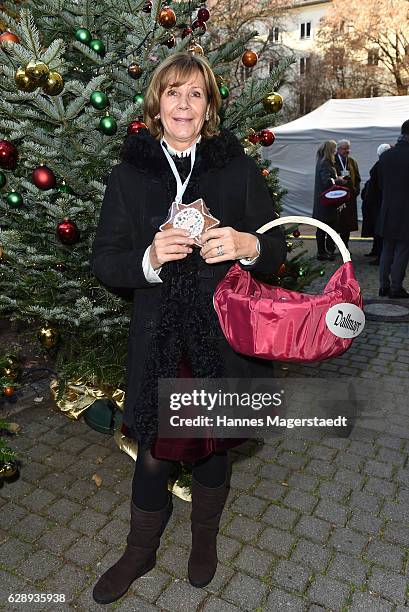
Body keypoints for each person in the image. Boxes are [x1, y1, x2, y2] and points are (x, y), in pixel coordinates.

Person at [90, 51, 287, 604]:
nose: (183, 103)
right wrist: (149, 259)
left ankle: (204, 539)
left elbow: (275, 247)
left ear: (208, 109)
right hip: (158, 339)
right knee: (154, 450)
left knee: (214, 445)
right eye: (173, 91)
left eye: (195, 94)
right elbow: (106, 258)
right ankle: (140, 550)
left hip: (221, 335)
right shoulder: (129, 175)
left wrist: (249, 246)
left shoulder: (235, 168)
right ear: (157, 103)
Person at [377, 120, 409, 298]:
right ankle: (396, 287)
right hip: (406, 211)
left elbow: (381, 184)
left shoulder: (387, 156)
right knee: (402, 250)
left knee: (387, 249)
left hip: (388, 209)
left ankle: (383, 286)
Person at [312, 140, 347, 260]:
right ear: (330, 149)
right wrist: (338, 180)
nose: (336, 150)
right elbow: (327, 181)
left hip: (324, 203)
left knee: (323, 228)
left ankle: (324, 252)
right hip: (326, 203)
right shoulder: (325, 163)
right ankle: (324, 252)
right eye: (335, 148)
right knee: (328, 228)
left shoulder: (322, 161)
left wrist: (336, 178)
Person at [361, 144, 391, 265]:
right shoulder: (386, 166)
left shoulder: (380, 166)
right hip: (379, 202)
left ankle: (380, 255)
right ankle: (377, 251)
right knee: (378, 230)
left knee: (379, 230)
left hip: (377, 203)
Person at [334, 139, 361, 249]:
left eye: (348, 148)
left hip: (350, 197)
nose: (347, 151)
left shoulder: (352, 161)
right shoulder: (333, 161)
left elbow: (358, 178)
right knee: (336, 223)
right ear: (339, 149)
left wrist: (356, 190)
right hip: (337, 197)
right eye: (345, 149)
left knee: (348, 224)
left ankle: (345, 246)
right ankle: (332, 248)